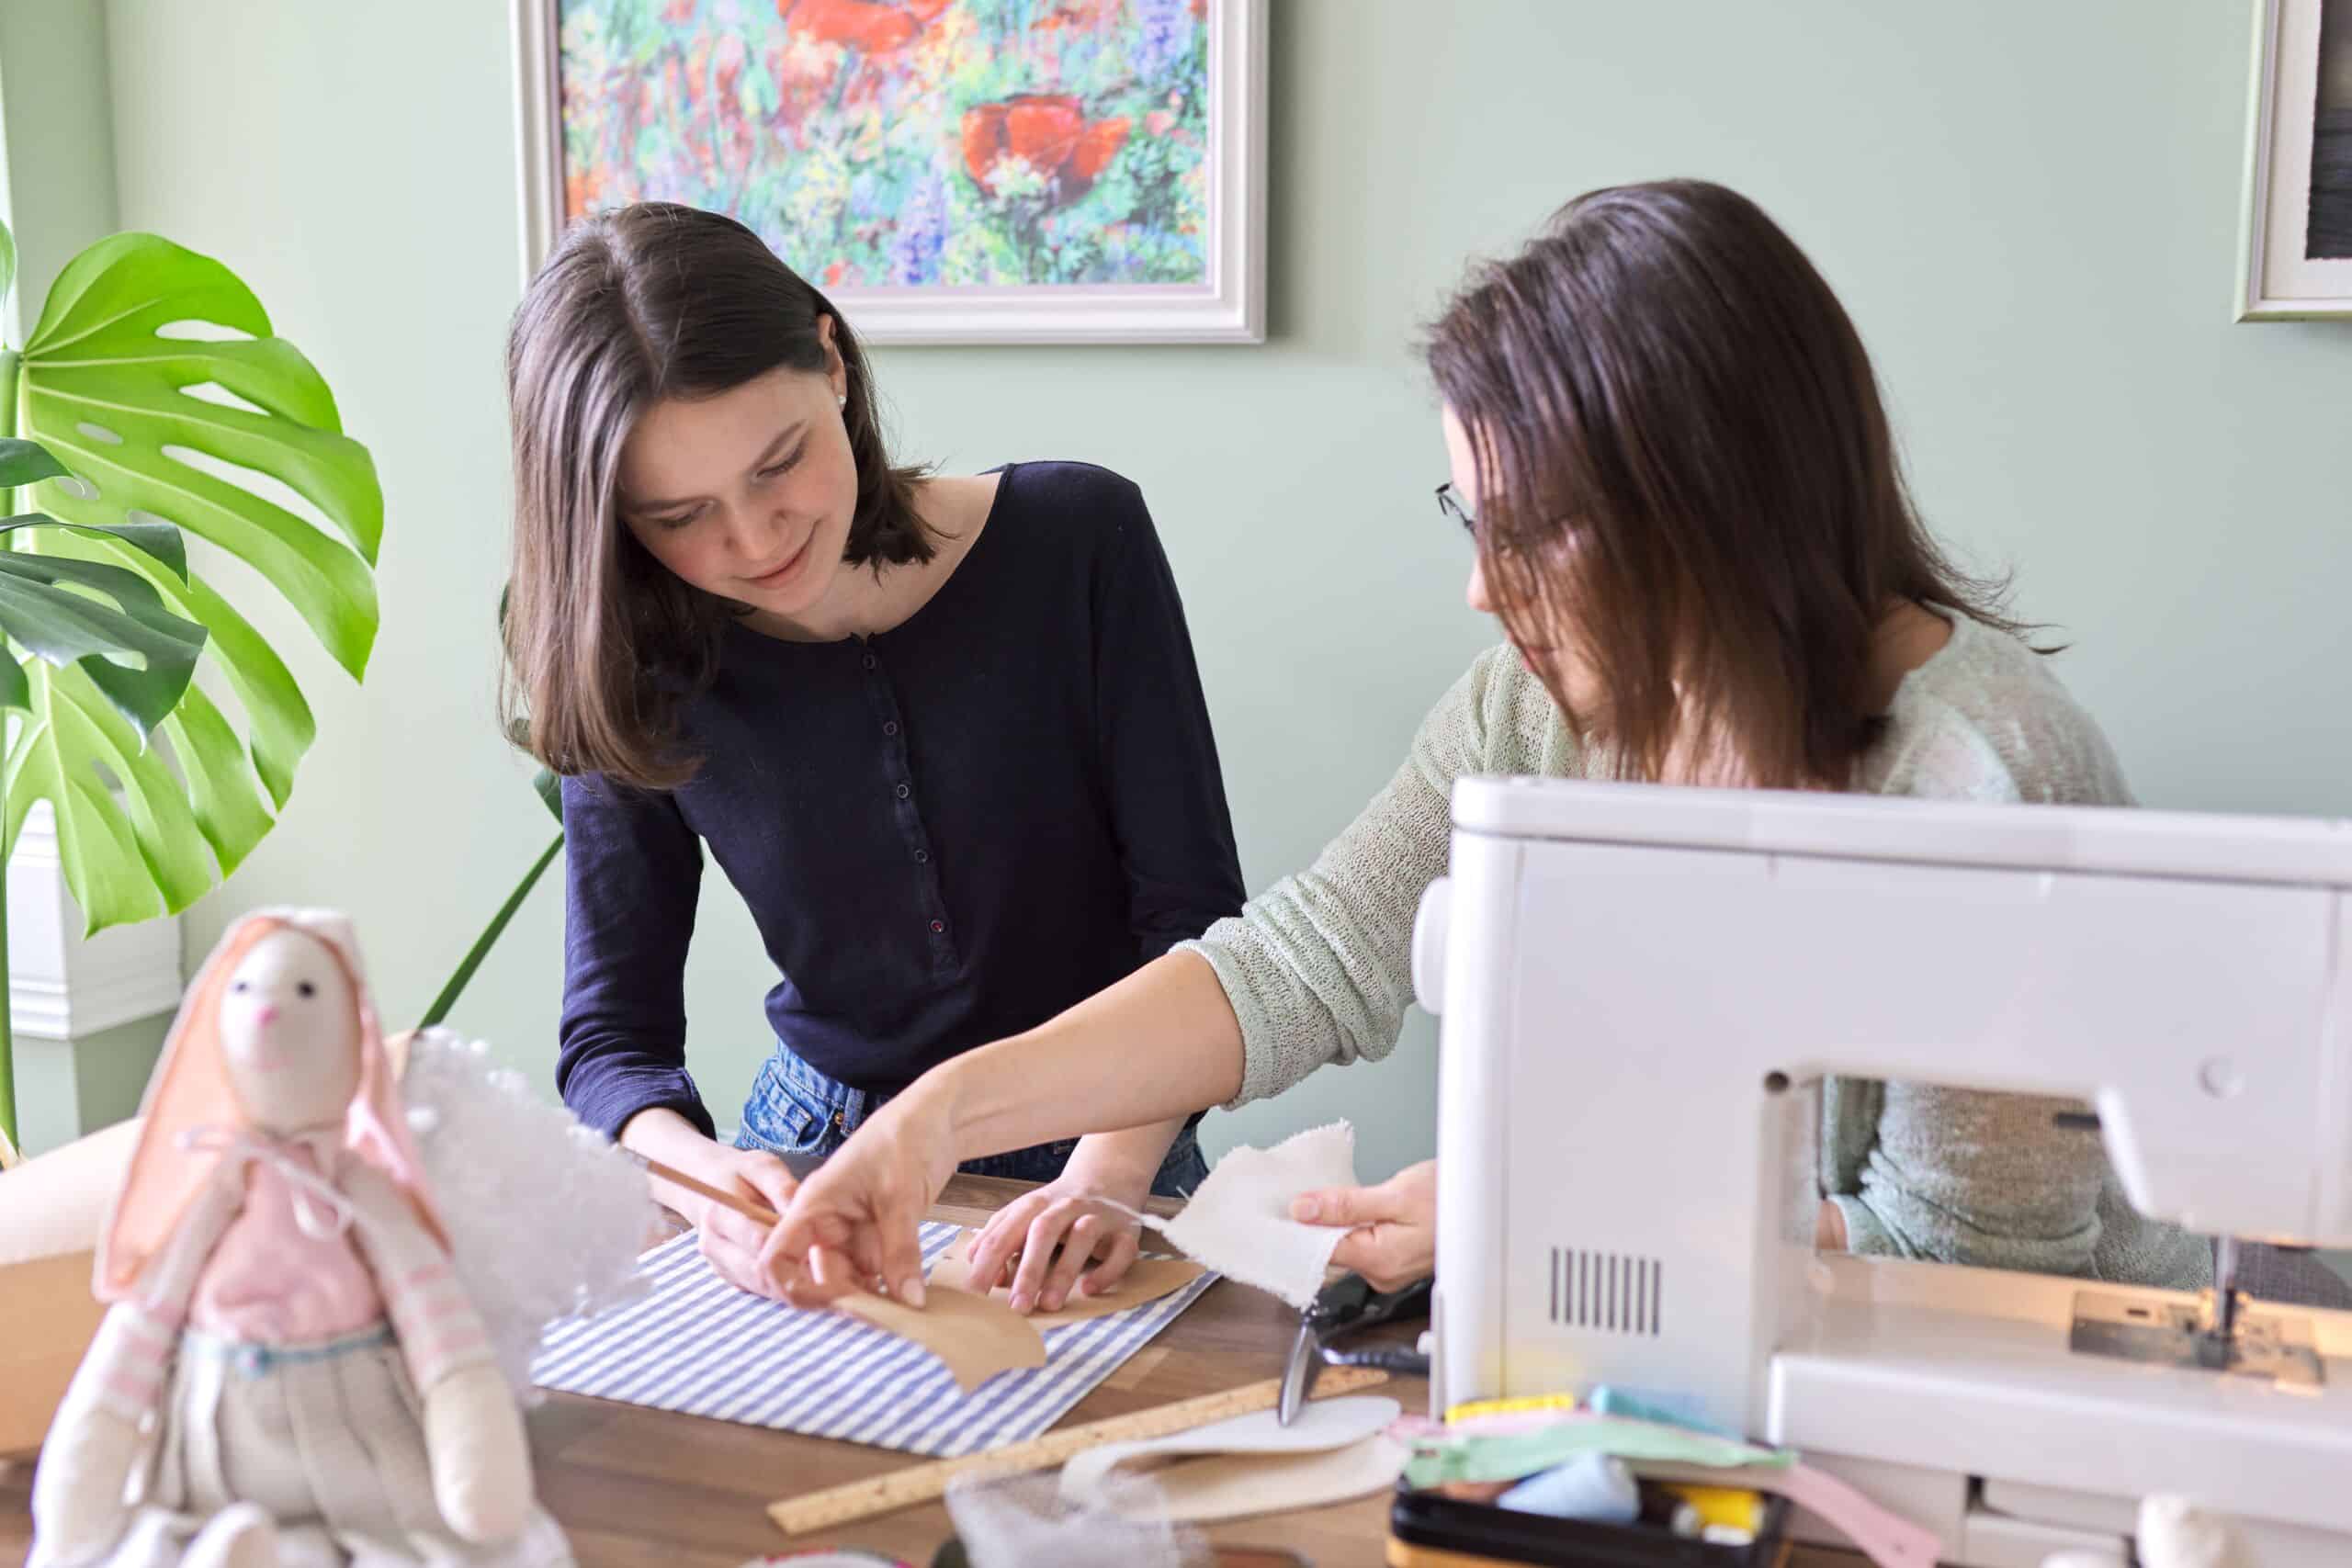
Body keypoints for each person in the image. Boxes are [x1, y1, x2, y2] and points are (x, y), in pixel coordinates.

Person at [765, 179, 2212, 1314]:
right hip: (1701, 1349)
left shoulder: (1981, 773)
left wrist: (1536, 1208)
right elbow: (1299, 960)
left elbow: (1972, 1262)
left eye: (1525, 531)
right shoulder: (1531, 709)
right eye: (1470, 518)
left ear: (1704, 505)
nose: (1481, 583)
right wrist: (939, 1115)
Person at [501, 202, 1245, 1299]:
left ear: (833, 361)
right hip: (810, 1158)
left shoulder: (1079, 540)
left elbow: (1193, 925)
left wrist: (1106, 1178)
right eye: (678, 515)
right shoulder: (630, 656)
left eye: (778, 464)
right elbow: (612, 1045)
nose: (753, 541)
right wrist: (705, 1182)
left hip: (1111, 1140)